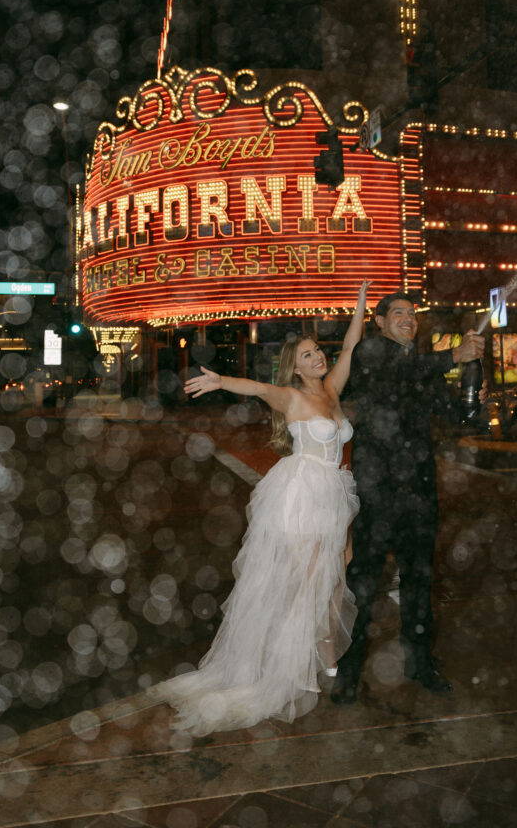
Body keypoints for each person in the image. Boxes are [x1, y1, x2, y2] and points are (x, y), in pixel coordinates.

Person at [148, 281, 370, 735]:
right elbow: (253, 386)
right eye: (307, 355)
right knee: (313, 578)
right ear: (294, 366)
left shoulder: (331, 389)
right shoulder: (290, 396)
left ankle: (324, 655)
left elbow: (351, 344)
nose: (317, 358)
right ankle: (290, 669)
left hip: (336, 493)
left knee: (337, 575)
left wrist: (361, 304)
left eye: (317, 352)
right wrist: (218, 381)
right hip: (303, 493)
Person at [331, 292, 485, 703]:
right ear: (379, 322)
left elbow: (456, 415)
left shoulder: (422, 366)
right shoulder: (372, 352)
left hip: (418, 488)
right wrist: (454, 355)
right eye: (399, 313)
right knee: (364, 581)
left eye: (413, 314)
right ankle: (348, 670)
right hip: (378, 488)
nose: (409, 319)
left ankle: (420, 663)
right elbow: (400, 370)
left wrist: (474, 390)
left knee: (419, 579)